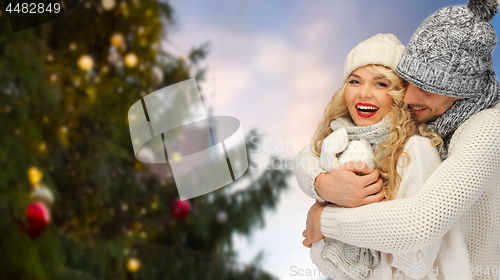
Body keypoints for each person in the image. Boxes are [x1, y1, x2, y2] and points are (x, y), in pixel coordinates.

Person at [297, 1, 500, 279]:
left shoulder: (489, 130)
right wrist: (321, 183)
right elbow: (309, 153)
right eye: (407, 82)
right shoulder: (427, 118)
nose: (408, 98)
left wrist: (324, 219)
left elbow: (420, 223)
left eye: (427, 89)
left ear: (461, 92)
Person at [296, 33, 451, 279]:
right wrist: (322, 186)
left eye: (381, 84)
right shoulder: (339, 142)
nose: (364, 94)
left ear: (401, 95)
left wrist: (324, 217)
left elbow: (417, 262)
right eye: (355, 81)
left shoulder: (415, 152)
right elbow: (321, 258)